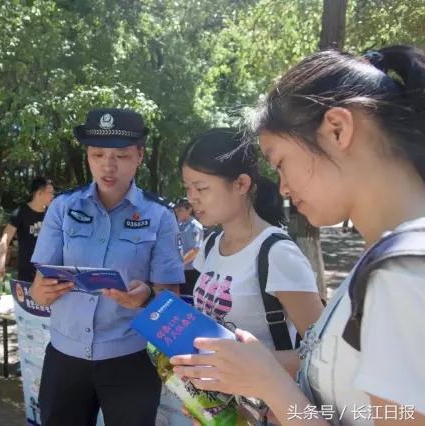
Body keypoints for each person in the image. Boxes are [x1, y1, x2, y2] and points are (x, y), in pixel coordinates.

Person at [171, 46, 425, 425]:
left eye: (281, 163)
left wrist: (269, 382)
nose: (284, 188)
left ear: (338, 129)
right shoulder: (387, 265)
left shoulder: (403, 274)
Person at [30, 108, 184, 426]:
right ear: (87, 155)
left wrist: (146, 298)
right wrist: (42, 290)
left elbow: (170, 300)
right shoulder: (62, 207)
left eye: (121, 155)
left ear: (139, 155)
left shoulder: (159, 216)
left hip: (131, 361)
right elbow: (38, 289)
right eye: (98, 154)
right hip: (64, 360)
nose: (108, 165)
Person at [180, 129, 323, 369]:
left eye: (202, 188)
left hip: (269, 402)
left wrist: (245, 363)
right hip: (219, 400)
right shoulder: (211, 246)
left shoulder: (277, 254)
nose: (192, 198)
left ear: (241, 184)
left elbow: (323, 354)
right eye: (187, 188)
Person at [0, 177, 54, 283]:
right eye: (50, 193)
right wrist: (1, 263)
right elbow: (5, 239)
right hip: (27, 273)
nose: (53, 196)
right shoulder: (21, 212)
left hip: (49, 271)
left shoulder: (52, 213)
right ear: (39, 193)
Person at [174, 198, 204, 296]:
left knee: (188, 300)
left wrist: (179, 264)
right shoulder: (179, 225)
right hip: (180, 270)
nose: (177, 212)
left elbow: (195, 250)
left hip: (191, 271)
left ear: (189, 209)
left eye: (180, 210)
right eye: (176, 210)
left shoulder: (195, 227)